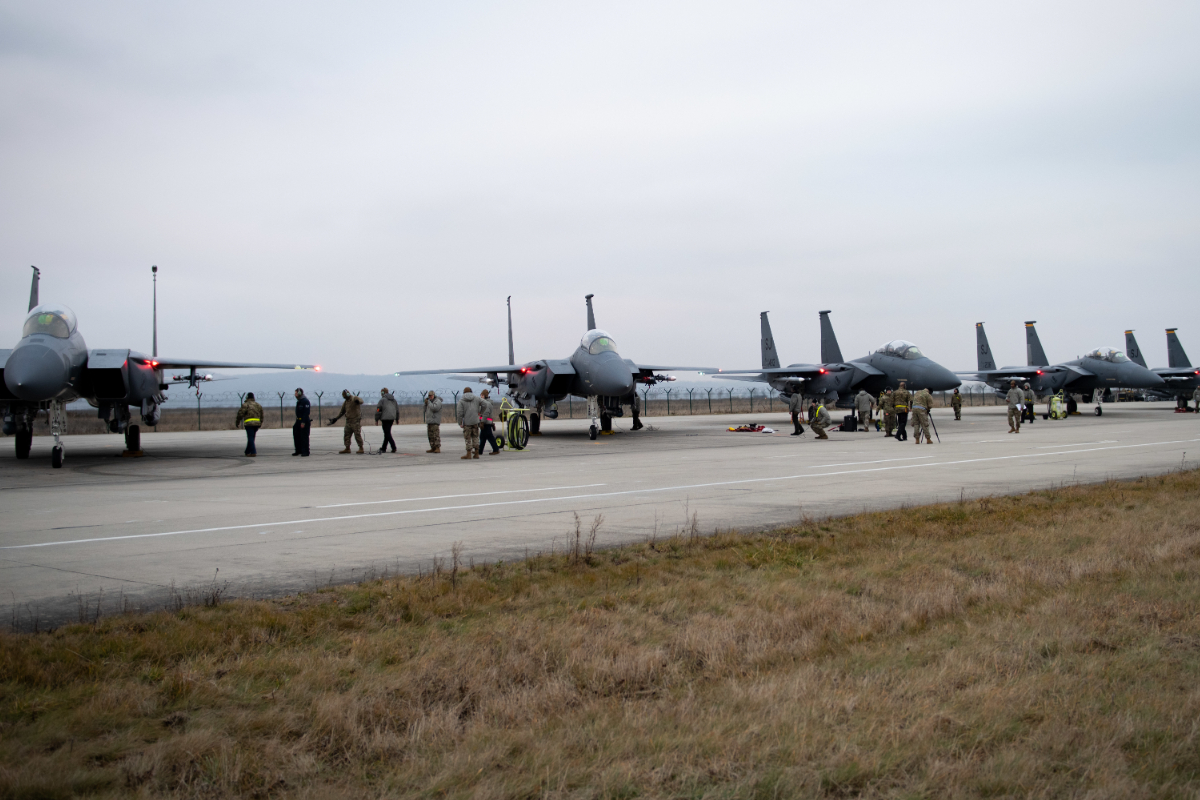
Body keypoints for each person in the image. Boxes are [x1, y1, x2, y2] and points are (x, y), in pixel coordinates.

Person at [329, 389, 365, 454]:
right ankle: (347, 448)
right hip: (348, 421)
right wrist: (336, 418)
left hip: (355, 421)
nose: (345, 398)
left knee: (357, 434)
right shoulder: (346, 402)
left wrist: (358, 401)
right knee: (346, 435)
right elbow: (342, 412)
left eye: (346, 396)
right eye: (344, 397)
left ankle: (361, 448)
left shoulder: (354, 398)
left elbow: (361, 401)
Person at [455, 386, 483, 459]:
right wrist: (480, 412)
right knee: (475, 437)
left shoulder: (461, 401)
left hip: (467, 422)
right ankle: (476, 453)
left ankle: (468, 454)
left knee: (468, 438)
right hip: (475, 421)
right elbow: (484, 404)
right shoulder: (477, 399)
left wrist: (460, 422)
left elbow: (459, 413)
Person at [235, 392, 264, 457]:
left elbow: (240, 414)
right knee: (252, 437)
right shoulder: (258, 405)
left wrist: (237, 422)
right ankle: (247, 451)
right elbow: (262, 415)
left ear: (247, 397)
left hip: (249, 424)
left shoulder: (245, 405)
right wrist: (260, 423)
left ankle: (253, 452)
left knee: (250, 437)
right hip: (257, 424)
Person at [478, 389, 501, 455]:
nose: (481, 396)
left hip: (486, 423)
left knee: (490, 437)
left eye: (482, 395)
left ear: (485, 395)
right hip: (486, 422)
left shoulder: (486, 403)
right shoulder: (485, 403)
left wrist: (482, 422)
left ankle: (496, 449)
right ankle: (479, 451)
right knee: (482, 437)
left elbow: (486, 413)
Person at [378, 388, 399, 454]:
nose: (381, 394)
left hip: (385, 419)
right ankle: (383, 447)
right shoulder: (394, 400)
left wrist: (376, 419)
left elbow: (378, 409)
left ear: (383, 393)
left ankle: (393, 447)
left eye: (382, 393)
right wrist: (397, 419)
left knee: (387, 433)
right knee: (387, 433)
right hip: (392, 418)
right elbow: (397, 410)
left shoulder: (382, 400)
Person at [292, 388, 311, 457]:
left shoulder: (305, 401)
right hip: (298, 420)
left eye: (296, 393)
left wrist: (303, 422)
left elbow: (306, 413)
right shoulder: (299, 401)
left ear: (300, 393)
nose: (295, 394)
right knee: (296, 435)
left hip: (304, 421)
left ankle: (305, 451)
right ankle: (298, 450)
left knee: (304, 437)